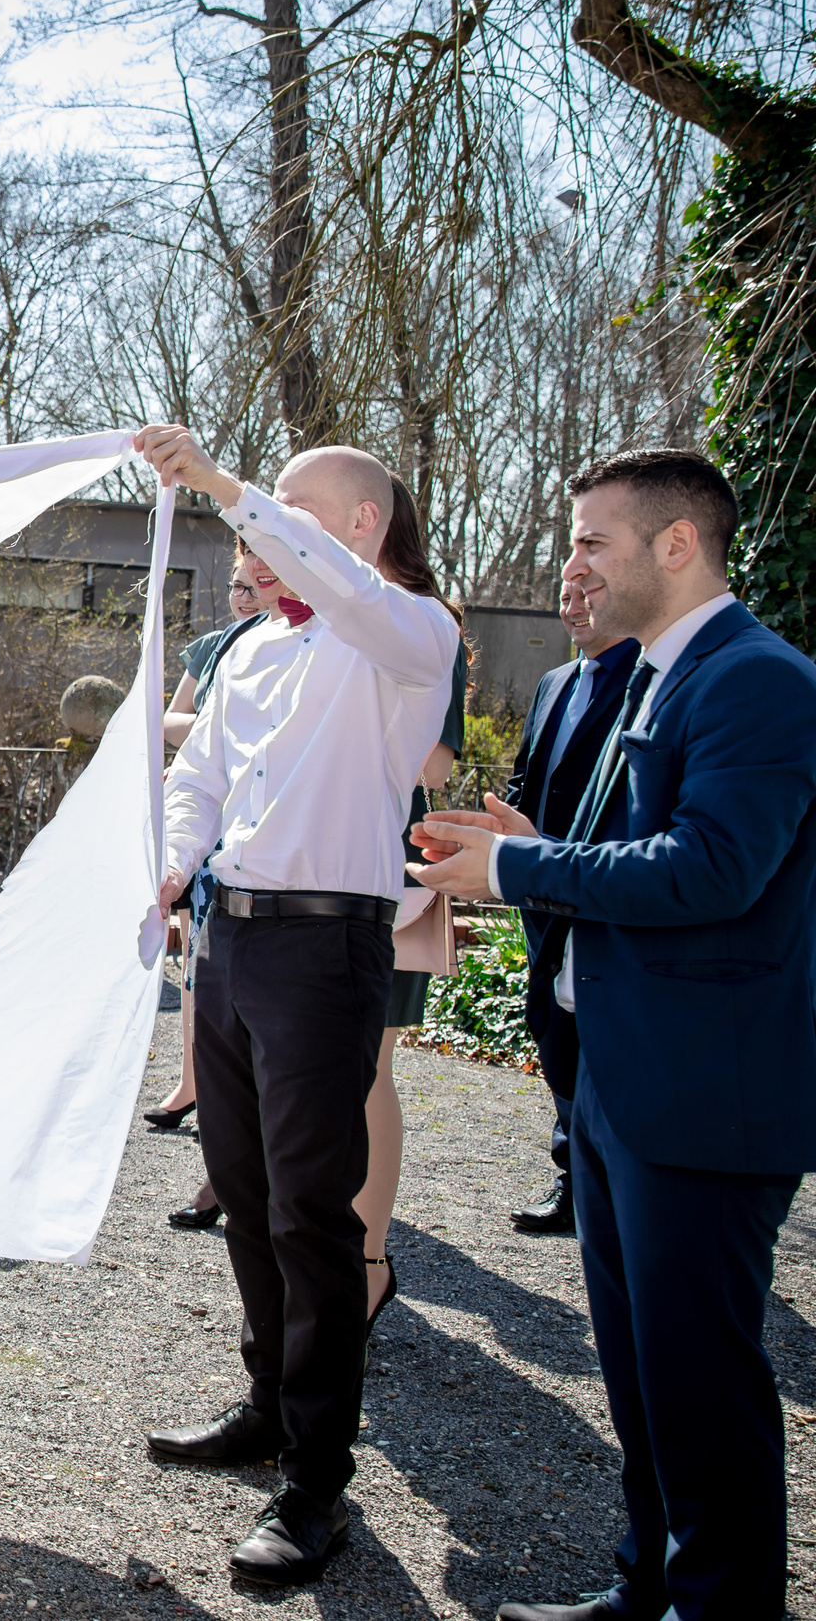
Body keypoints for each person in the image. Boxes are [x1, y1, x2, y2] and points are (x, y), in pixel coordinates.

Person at [412, 449, 816, 1621]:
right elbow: (628, 861)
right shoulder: (648, 674)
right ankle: (649, 1587)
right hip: (619, 1082)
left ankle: (722, 1608)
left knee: (701, 1376)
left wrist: (518, 864)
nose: (572, 562)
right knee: (640, 1373)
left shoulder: (758, 681)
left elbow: (713, 870)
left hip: (704, 1092)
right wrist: (527, 842)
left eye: (592, 540)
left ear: (675, 544)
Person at [138, 428, 461, 1588]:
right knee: (242, 1189)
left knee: (309, 1214)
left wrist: (224, 484)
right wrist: (173, 866)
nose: (258, 535)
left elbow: (342, 591)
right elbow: (198, 781)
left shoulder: (408, 635)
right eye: (257, 516)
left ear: (359, 526)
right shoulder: (251, 657)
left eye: (289, 514)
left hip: (328, 951)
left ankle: (317, 1477)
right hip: (229, 944)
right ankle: (267, 1403)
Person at [353, 481, 469, 1338]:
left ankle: (368, 1259)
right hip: (303, 881)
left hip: (385, 877)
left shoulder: (430, 621)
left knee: (368, 1072)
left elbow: (436, 764)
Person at [495, 578, 636, 1237]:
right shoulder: (555, 681)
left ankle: (609, 1183)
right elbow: (529, 773)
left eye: (588, 589)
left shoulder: (647, 681)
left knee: (598, 1037)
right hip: (542, 896)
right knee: (552, 1028)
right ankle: (573, 1177)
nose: (573, 603)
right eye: (565, 591)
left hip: (604, 891)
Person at [151, 554, 264, 1149]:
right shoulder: (214, 647)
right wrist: (215, 732)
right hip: (205, 814)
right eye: (237, 587)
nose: (245, 598)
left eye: (256, 586)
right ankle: (193, 1078)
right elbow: (170, 718)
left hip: (254, 822)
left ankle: (228, 1100)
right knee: (198, 959)